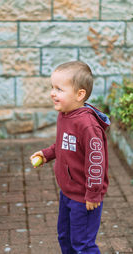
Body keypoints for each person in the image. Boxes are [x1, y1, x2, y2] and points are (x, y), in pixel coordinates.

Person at [30, 61, 110, 254]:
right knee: (65, 237)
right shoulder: (65, 115)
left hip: (84, 196)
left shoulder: (87, 126)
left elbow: (97, 162)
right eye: (52, 87)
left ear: (79, 94)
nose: (52, 93)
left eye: (59, 89)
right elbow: (64, 145)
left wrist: (92, 193)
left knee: (82, 245)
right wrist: (47, 154)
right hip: (67, 192)